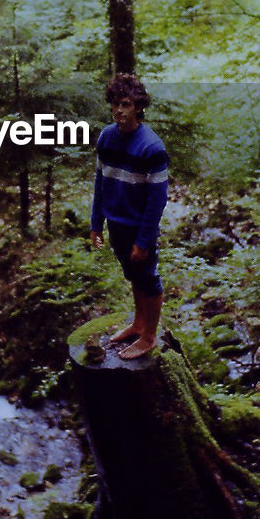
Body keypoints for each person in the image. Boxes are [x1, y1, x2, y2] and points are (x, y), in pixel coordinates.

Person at [89, 73, 168, 359]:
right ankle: (138, 323)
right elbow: (100, 181)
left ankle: (149, 336)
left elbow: (157, 200)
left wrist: (144, 240)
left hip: (138, 227)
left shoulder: (151, 147)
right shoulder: (107, 137)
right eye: (114, 103)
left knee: (148, 278)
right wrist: (96, 223)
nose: (119, 110)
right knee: (132, 275)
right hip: (115, 223)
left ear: (137, 106)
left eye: (125, 104)